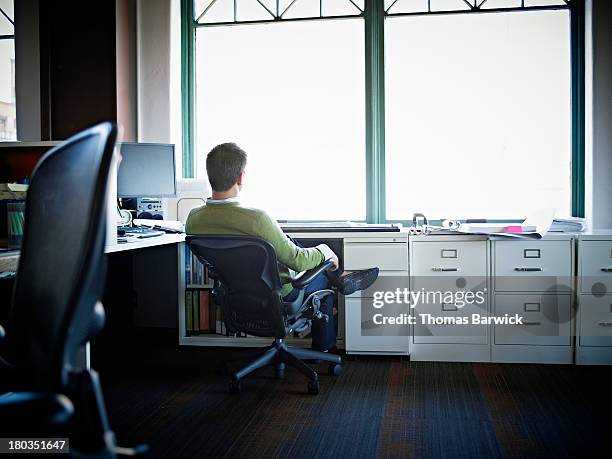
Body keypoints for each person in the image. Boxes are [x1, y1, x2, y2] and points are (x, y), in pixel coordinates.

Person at [186, 142, 379, 351]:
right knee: (321, 277)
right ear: (240, 177)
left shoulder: (193, 219)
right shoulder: (257, 219)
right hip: (279, 294)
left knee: (288, 243)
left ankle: (341, 276)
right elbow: (296, 260)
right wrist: (325, 251)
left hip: (234, 293)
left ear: (210, 176)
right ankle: (324, 346)